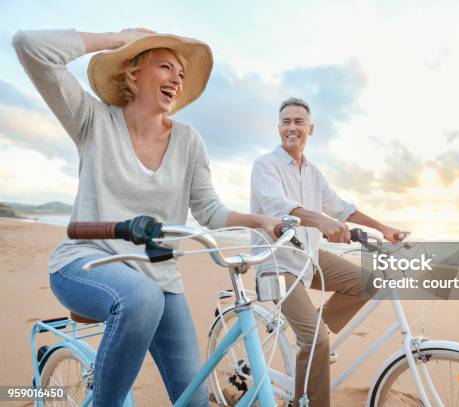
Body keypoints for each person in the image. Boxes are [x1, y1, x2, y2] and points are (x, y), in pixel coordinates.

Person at [13, 28, 279, 407]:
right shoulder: (92, 120)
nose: (176, 79)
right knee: (141, 298)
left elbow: (209, 210)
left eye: (182, 74)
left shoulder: (189, 141)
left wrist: (260, 221)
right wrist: (113, 39)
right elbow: (30, 47)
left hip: (160, 278)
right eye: (166, 67)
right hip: (86, 262)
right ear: (133, 73)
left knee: (194, 399)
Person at [250, 97, 406, 406]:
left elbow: (341, 208)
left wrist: (383, 228)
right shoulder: (265, 165)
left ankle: (313, 334)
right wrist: (321, 221)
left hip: (308, 256)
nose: (292, 127)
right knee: (316, 340)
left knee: (369, 283)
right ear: (278, 128)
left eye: (298, 122)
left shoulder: (313, 172)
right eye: (286, 122)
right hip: (276, 261)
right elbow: (277, 207)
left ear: (311, 128)